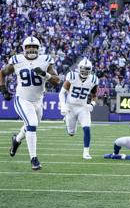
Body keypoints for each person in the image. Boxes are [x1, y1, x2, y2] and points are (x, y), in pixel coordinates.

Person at [0, 36, 60, 170]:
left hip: (38, 101)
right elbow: (2, 73)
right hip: (22, 99)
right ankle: (34, 159)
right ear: (24, 48)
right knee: (32, 124)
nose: (32, 49)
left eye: (34, 46)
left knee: (31, 126)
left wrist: (46, 75)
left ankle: (16, 140)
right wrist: (3, 89)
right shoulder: (17, 60)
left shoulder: (45, 60)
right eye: (29, 46)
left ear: (39, 49)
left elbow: (57, 81)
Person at [59, 58, 98, 159]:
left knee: (87, 128)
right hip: (70, 107)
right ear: (79, 68)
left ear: (90, 70)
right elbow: (62, 93)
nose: (84, 71)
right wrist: (63, 106)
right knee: (71, 133)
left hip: (82, 107)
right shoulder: (72, 76)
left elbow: (95, 95)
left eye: (87, 69)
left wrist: (92, 104)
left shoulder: (93, 80)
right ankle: (67, 121)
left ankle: (86, 152)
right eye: (83, 69)